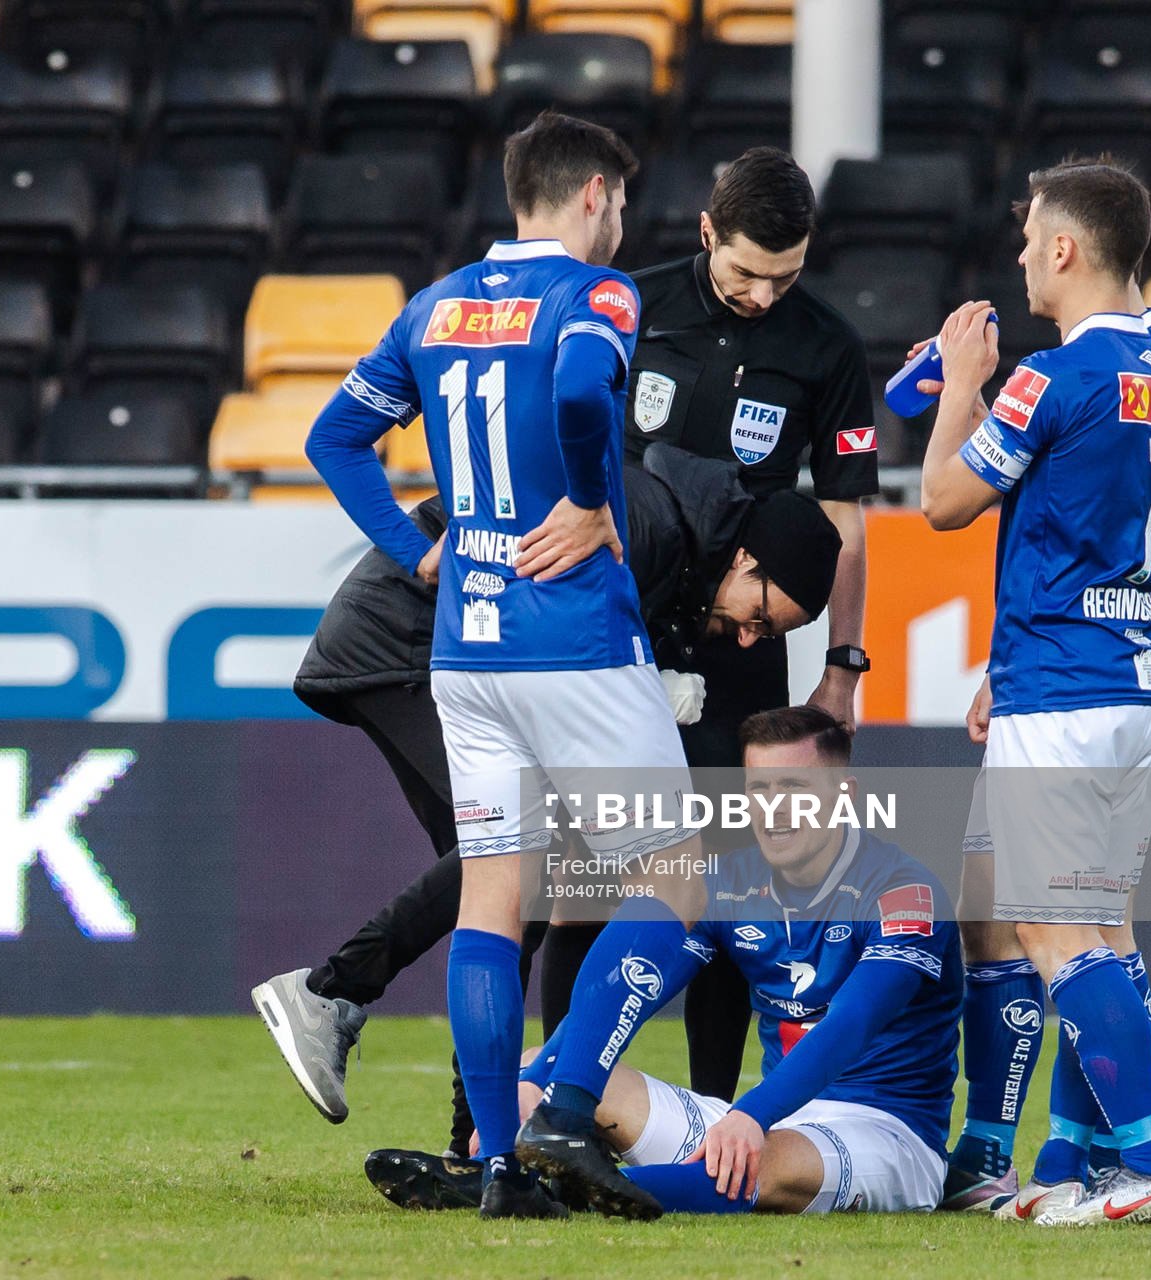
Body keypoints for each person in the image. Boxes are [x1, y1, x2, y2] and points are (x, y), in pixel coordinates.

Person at [305, 110, 706, 1219]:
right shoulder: (597, 293)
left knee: (494, 894)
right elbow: (579, 391)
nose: (621, 221)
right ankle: (566, 1107)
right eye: (620, 201)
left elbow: (333, 438)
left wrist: (416, 551)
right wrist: (587, 497)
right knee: (680, 882)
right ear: (592, 193)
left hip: (466, 648)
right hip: (573, 641)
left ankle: (495, 1163)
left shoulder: (433, 307)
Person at [253, 444, 842, 1154]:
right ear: (746, 559)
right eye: (761, 617)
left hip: (439, 640)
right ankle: (334, 994)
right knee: (516, 867)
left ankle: (475, 1143)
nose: (748, 640)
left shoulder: (675, 540)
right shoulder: (650, 530)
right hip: (414, 638)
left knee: (510, 893)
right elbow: (548, 637)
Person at [917, 158, 1151, 1227]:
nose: (1020, 255)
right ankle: (1076, 1162)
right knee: (1107, 931)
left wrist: (962, 384)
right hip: (1144, 688)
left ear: (1064, 248)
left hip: (1067, 688)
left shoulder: (1052, 376)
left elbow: (945, 499)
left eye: (1030, 237)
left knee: (1048, 928)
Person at [367, 708, 963, 1219]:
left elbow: (851, 1024)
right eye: (760, 790)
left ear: (845, 795)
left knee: (758, 1164)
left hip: (884, 1131)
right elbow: (638, 986)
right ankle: (502, 1174)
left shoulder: (905, 891)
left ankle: (534, 1192)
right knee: (542, 1067)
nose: (775, 810)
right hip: (770, 1115)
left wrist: (752, 1115)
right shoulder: (728, 880)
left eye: (795, 788)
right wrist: (535, 1084)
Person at [619, 147, 880, 1106]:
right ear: (706, 232)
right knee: (568, 886)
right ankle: (516, 1118)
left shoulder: (827, 346)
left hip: (743, 643)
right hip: (620, 635)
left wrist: (841, 667)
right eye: (745, 273)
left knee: (736, 892)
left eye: (786, 276)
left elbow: (847, 521)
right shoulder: (630, 307)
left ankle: (714, 1117)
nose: (764, 296)